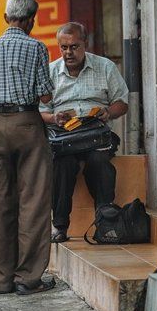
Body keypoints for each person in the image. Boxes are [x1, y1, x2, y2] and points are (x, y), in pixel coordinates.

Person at [0, 0, 56, 295]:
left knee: (1, 202)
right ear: (31, 20)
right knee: (33, 201)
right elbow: (45, 95)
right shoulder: (37, 47)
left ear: (6, 18)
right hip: (28, 123)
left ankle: (2, 279)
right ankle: (28, 278)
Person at [40, 22, 129, 243]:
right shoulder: (50, 72)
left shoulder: (105, 67)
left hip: (96, 134)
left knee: (99, 163)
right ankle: (60, 226)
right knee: (61, 165)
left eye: (74, 46)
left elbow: (122, 103)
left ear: (85, 44)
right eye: (63, 47)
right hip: (65, 137)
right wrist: (54, 118)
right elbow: (41, 111)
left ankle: (105, 222)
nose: (68, 52)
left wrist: (108, 112)